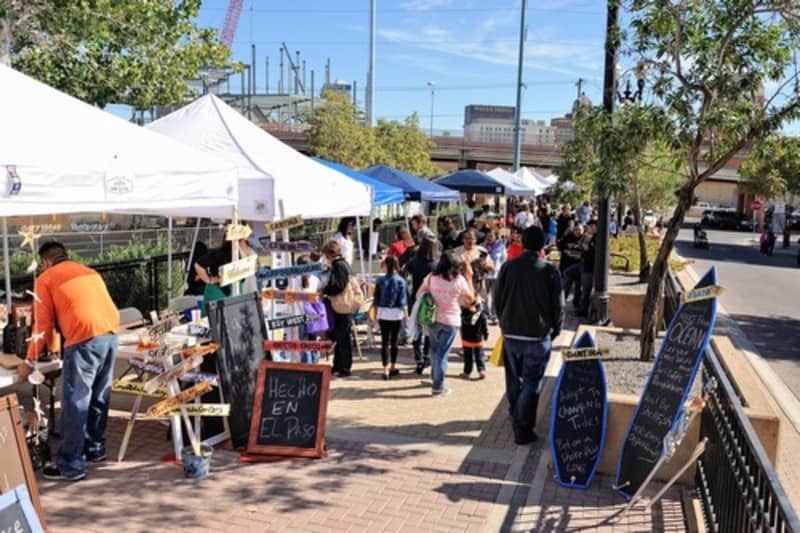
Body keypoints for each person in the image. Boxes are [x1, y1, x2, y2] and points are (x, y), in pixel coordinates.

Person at [19, 242, 119, 481]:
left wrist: (29, 360)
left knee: (76, 402)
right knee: (99, 395)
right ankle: (95, 449)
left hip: (83, 339)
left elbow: (42, 326)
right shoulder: (88, 271)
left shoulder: (45, 278)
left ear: (45, 262)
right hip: (110, 334)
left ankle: (71, 465)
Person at [493, 226, 563, 445]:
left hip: (512, 333)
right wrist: (556, 329)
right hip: (537, 335)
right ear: (542, 245)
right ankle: (522, 428)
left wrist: (504, 322)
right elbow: (558, 306)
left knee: (514, 378)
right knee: (532, 383)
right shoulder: (550, 272)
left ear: (522, 243)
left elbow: (497, 299)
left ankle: (516, 412)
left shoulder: (508, 267)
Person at [417, 252, 474, 396]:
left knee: (435, 351)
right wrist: (470, 278)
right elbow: (470, 300)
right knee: (442, 354)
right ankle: (438, 386)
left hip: (433, 318)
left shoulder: (431, 277)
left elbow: (419, 294)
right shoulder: (459, 280)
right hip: (451, 320)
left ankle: (435, 378)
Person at [404, 238, 439, 374]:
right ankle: (426, 356)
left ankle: (418, 359)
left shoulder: (414, 262)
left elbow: (405, 272)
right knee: (429, 328)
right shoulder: (435, 265)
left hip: (416, 297)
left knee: (416, 330)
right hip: (431, 299)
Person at [321, 241, 355, 378]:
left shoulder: (339, 266)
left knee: (342, 337)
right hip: (345, 306)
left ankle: (344, 367)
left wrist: (325, 290)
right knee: (342, 336)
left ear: (330, 254)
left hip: (342, 307)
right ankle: (339, 366)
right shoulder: (345, 264)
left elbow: (339, 286)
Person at [372, 256, 408, 380]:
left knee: (384, 342)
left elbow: (376, 298)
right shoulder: (401, 280)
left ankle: (385, 368)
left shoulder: (380, 280)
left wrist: (375, 314)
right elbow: (403, 300)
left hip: (383, 312)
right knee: (394, 342)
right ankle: (393, 366)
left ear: (386, 265)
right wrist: (406, 315)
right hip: (396, 313)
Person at [459, 302, 489, 380]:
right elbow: (484, 327)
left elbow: (461, 327)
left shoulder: (463, 314)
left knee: (467, 357)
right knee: (479, 356)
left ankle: (467, 372)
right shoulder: (481, 315)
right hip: (477, 339)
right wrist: (486, 335)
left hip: (466, 339)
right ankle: (481, 370)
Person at [483, 229, 506, 324]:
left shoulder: (500, 246)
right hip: (485, 275)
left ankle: (494, 315)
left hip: (496, 274)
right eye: (488, 236)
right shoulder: (483, 247)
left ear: (495, 236)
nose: (489, 237)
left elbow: (504, 259)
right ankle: (486, 314)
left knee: (495, 296)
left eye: (491, 236)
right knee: (484, 296)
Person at [576, 219, 598, 317]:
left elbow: (592, 254)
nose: (587, 229)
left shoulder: (596, 238)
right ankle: (581, 307)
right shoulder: (592, 237)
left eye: (588, 227)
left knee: (586, 290)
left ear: (593, 227)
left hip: (589, 268)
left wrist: (583, 255)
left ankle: (583, 310)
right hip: (586, 266)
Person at [557, 224, 584, 301]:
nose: (577, 232)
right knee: (565, 287)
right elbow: (559, 244)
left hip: (578, 267)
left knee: (578, 288)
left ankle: (576, 303)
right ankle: (561, 303)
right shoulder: (568, 237)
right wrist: (567, 246)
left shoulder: (584, 238)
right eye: (576, 230)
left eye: (579, 230)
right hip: (566, 266)